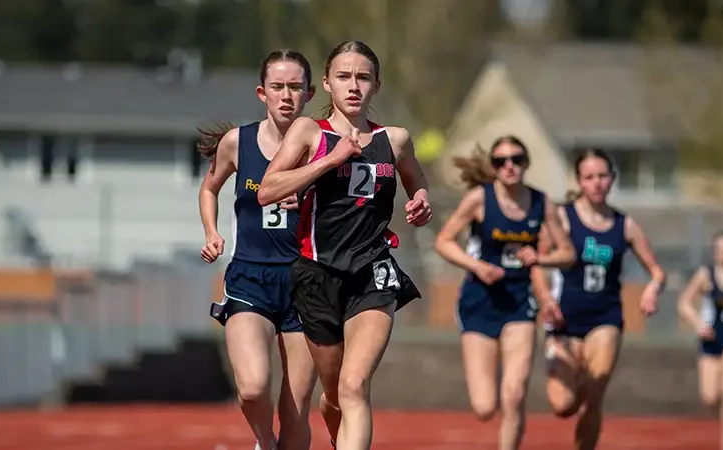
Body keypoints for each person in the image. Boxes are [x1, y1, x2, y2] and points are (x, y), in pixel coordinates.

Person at [257, 40, 430, 450]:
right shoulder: (309, 131)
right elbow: (267, 190)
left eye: (363, 77)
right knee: (334, 394)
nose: (353, 86)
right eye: (344, 76)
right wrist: (330, 160)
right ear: (327, 83)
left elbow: (416, 179)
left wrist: (421, 198)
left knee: (355, 384)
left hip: (372, 273)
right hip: (317, 275)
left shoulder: (395, 139)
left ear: (376, 85)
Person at [198, 49, 317, 450]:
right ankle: (264, 441)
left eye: (295, 87)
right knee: (252, 388)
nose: (286, 95)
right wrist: (212, 232)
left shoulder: (325, 147)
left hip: (307, 282)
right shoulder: (238, 143)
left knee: (296, 407)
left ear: (310, 93)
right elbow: (209, 188)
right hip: (250, 278)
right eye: (277, 86)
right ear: (262, 93)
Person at [433, 138, 575, 450]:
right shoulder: (479, 199)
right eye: (501, 161)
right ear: (494, 168)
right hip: (479, 301)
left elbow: (567, 253)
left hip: (520, 302)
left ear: (526, 162)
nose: (509, 166)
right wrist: (476, 265)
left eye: (516, 159)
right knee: (484, 407)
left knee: (514, 392)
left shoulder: (541, 203)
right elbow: (443, 241)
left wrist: (540, 258)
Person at [543, 148, 664, 450]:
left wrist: (653, 288)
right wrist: (545, 298)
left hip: (605, 317)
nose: (596, 183)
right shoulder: (562, 218)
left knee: (595, 392)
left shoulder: (626, 225)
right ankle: (576, 373)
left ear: (612, 178)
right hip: (564, 320)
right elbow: (536, 263)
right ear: (579, 181)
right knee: (563, 405)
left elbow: (657, 271)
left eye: (602, 176)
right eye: (589, 177)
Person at [678, 231, 723, 450]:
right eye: (721, 250)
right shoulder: (706, 275)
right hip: (711, 339)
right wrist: (698, 324)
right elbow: (684, 303)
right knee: (710, 396)